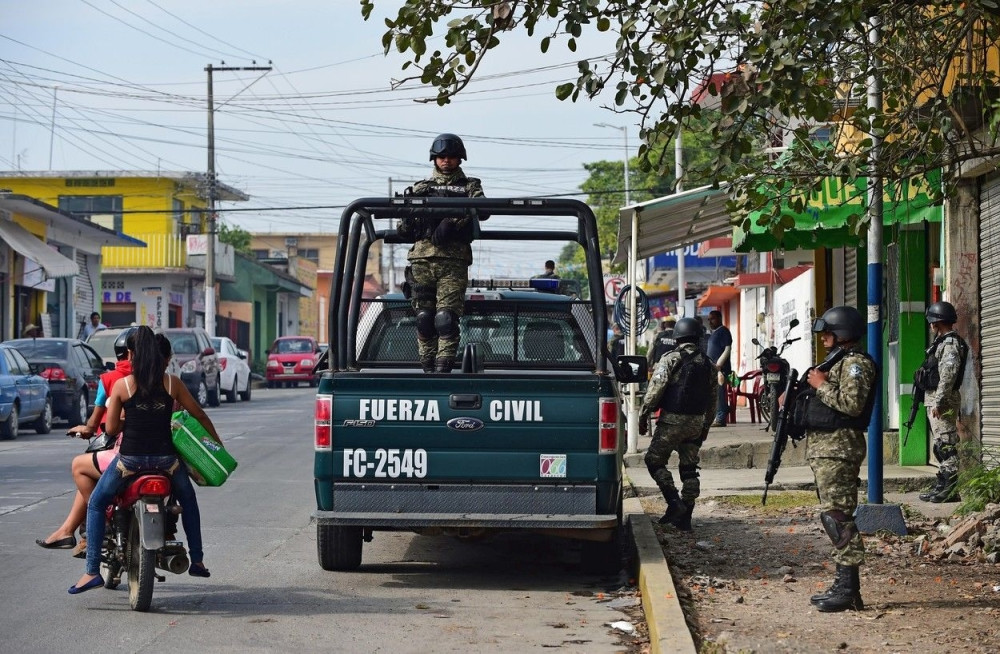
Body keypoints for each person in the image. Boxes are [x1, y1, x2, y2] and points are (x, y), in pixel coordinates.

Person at [69, 326, 220, 594]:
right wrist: (216, 444)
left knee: (95, 503)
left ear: (131, 353)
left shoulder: (122, 385)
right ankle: (197, 559)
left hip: (130, 463)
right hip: (167, 463)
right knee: (189, 501)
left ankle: (92, 571)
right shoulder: (172, 382)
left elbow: (112, 429)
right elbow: (199, 415)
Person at [800, 306, 877, 613]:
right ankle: (845, 586)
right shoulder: (836, 362)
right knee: (834, 516)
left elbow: (852, 404)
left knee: (839, 519)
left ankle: (847, 589)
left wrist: (821, 385)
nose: (824, 340)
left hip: (839, 449)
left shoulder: (856, 364)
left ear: (842, 334)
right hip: (827, 450)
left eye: (828, 334)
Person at [36, 328, 138, 557]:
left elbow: (99, 425)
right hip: (160, 454)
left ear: (124, 354)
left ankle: (89, 532)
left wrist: (86, 430)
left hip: (120, 450)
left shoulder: (111, 380)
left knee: (82, 469)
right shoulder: (163, 381)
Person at [397, 133, 486, 374]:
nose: (446, 161)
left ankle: (443, 368)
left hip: (453, 260)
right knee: (425, 318)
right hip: (422, 259)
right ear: (434, 159)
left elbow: (483, 209)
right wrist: (410, 216)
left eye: (452, 156)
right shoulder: (420, 188)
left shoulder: (470, 186)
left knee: (445, 319)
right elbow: (403, 227)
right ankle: (428, 368)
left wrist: (453, 220)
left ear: (460, 159)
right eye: (441, 157)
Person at [638, 317, 717, 531]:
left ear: (677, 337)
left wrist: (644, 415)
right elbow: (712, 400)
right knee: (689, 468)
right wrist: (706, 426)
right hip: (696, 423)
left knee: (653, 460)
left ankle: (674, 503)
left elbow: (655, 390)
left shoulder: (670, 359)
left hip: (672, 422)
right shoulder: (709, 365)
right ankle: (687, 516)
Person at [917, 301, 969, 503]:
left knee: (946, 445)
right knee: (940, 444)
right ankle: (942, 485)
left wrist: (938, 401)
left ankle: (950, 489)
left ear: (936, 323)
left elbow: (948, 376)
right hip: (936, 398)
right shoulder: (940, 342)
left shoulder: (950, 344)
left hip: (943, 400)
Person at [706, 310, 733, 427]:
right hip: (713, 369)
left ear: (720, 318)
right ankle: (721, 412)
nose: (710, 321)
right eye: (709, 319)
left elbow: (727, 349)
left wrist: (719, 364)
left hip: (720, 369)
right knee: (715, 394)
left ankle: (721, 418)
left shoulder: (724, 331)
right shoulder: (714, 333)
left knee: (720, 393)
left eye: (712, 319)